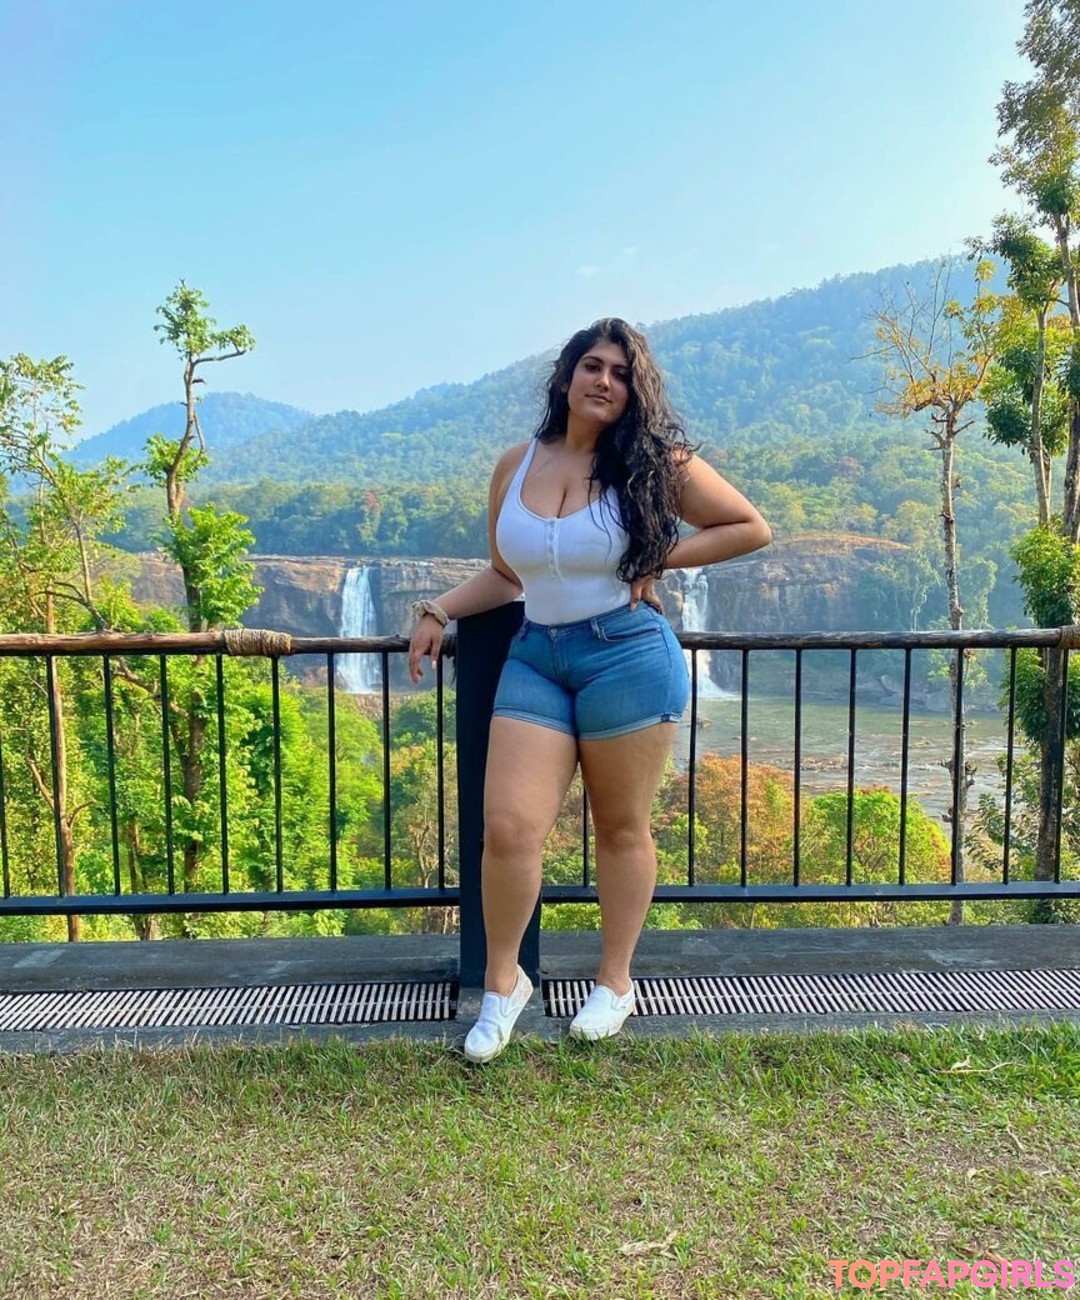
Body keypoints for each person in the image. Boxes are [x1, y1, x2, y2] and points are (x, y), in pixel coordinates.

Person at [407, 317, 770, 1062]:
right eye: (593, 366)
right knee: (508, 828)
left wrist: (660, 559)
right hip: (536, 655)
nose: (605, 381)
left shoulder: (652, 463)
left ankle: (614, 982)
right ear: (567, 375)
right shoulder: (515, 466)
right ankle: (504, 984)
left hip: (626, 655)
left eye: (622, 373)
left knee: (621, 828)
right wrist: (439, 609)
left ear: (635, 391)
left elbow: (748, 526)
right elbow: (507, 575)